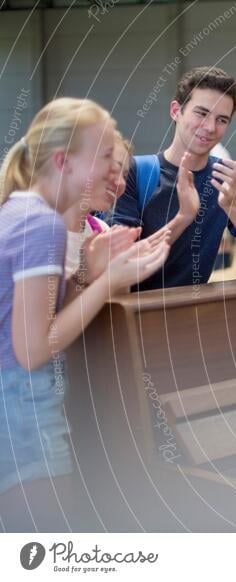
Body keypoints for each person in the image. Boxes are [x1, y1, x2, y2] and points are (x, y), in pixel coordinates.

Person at [0, 98, 169, 531]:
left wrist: (87, 274)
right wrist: (108, 282)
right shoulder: (43, 224)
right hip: (23, 406)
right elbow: (35, 348)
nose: (114, 171)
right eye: (105, 157)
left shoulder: (21, 211)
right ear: (63, 161)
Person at [110, 66, 236, 290]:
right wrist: (183, 217)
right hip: (137, 316)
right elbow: (120, 268)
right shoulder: (135, 172)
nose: (210, 127)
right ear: (176, 110)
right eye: (201, 113)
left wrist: (233, 206)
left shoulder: (227, 179)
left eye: (222, 120)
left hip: (195, 315)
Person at [63, 131, 137, 282]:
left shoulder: (102, 230)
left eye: (125, 175)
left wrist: (123, 266)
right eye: (114, 169)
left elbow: (115, 302)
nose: (121, 183)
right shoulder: (35, 229)